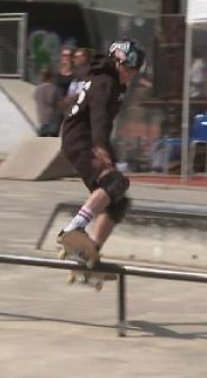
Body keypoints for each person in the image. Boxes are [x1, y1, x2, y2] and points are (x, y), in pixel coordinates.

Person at [55, 39, 146, 270]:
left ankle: (89, 252)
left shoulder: (103, 78)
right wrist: (100, 145)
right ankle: (75, 227)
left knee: (117, 201)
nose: (131, 75)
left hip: (81, 138)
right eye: (129, 69)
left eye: (135, 72)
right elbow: (99, 116)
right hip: (83, 140)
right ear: (118, 62)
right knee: (115, 182)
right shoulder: (106, 82)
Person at [33, 67, 62, 136]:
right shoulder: (54, 88)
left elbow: (36, 99)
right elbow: (59, 103)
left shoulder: (38, 89)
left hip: (42, 121)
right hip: (53, 120)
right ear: (51, 77)